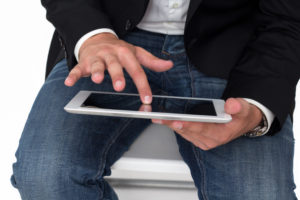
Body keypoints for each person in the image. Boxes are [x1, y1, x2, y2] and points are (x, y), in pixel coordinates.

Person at [11, 0, 300, 199]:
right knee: (46, 175)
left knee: (257, 194)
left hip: (235, 52)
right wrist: (94, 38)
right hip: (110, 40)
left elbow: (289, 16)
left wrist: (257, 104)